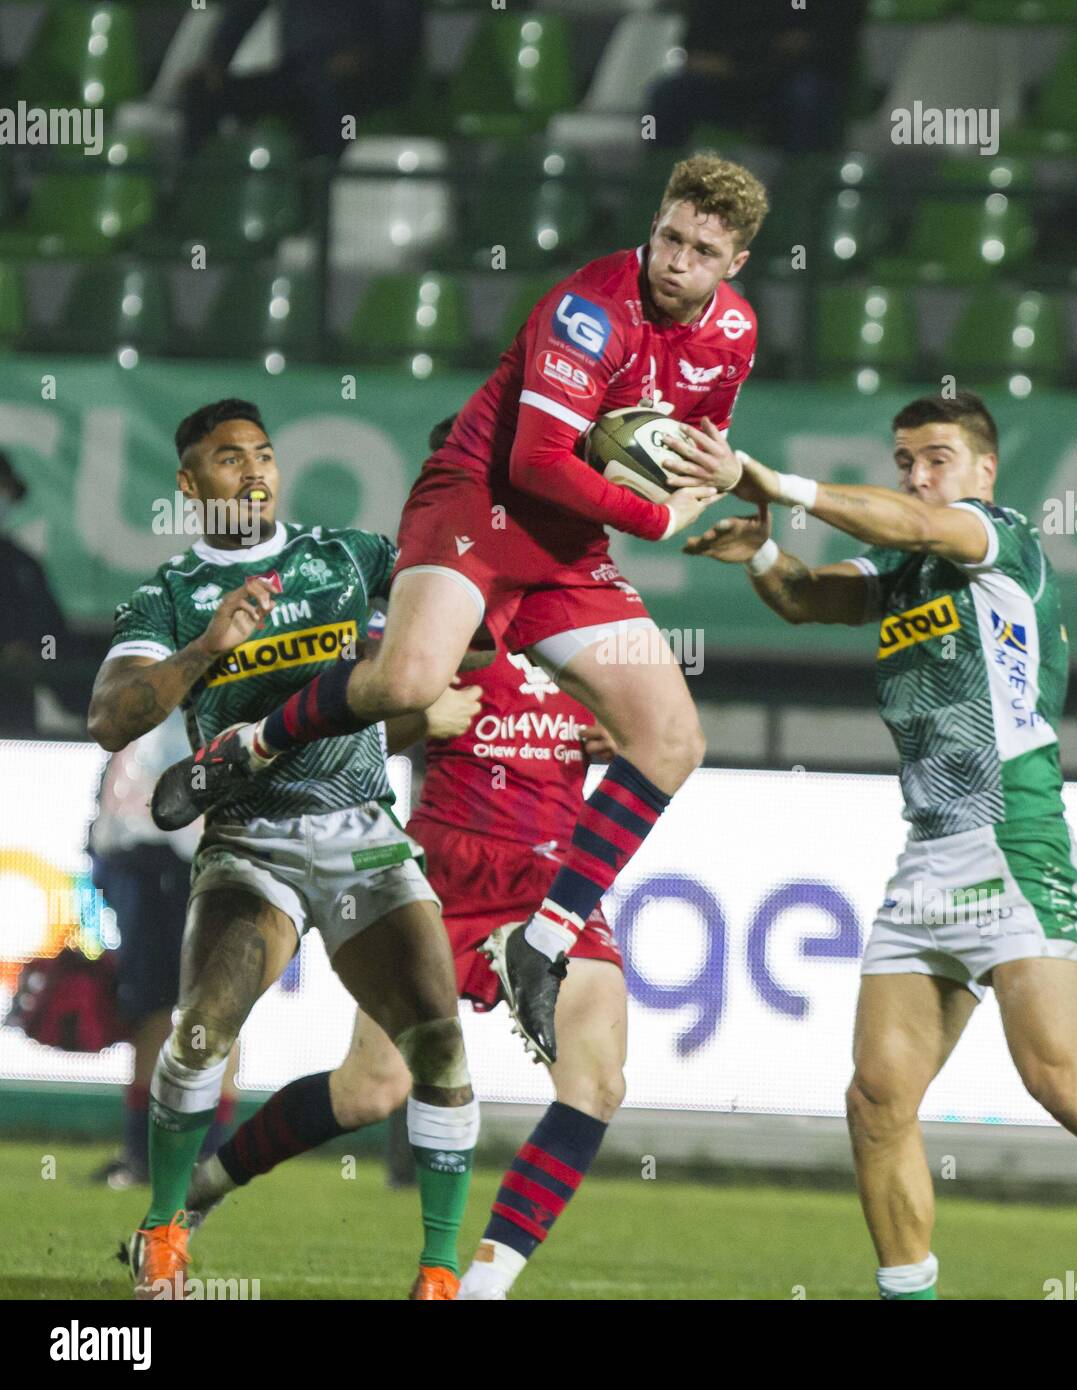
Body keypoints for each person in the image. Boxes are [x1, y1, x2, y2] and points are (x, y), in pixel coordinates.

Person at [148, 155, 767, 1070]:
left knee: (672, 741)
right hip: (478, 503)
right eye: (669, 235)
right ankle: (245, 749)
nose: (675, 260)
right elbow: (539, 462)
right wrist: (659, 515)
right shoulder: (590, 307)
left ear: (736, 262)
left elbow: (694, 452)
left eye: (702, 249)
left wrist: (717, 481)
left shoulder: (735, 335)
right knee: (408, 679)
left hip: (569, 551)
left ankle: (543, 942)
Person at [682, 390, 1077, 1302]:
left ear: (985, 471)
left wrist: (778, 483)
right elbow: (808, 599)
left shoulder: (998, 540)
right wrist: (761, 549)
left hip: (1013, 839)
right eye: (905, 461)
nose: (918, 475)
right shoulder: (906, 566)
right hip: (927, 854)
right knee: (877, 1099)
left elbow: (921, 524)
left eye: (937, 457)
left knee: (1064, 1085)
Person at [86, 399, 480, 1301]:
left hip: (362, 835)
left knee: (440, 1048)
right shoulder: (171, 595)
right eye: (229, 460)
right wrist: (205, 647)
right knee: (200, 1034)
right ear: (190, 484)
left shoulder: (346, 556)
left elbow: (465, 611)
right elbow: (111, 717)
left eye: (264, 454)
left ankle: (439, 1273)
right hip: (246, 842)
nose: (255, 471)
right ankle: (164, 1236)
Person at [186, 644, 629, 1301]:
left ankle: (481, 1285)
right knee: (369, 1090)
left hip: (551, 881)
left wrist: (622, 737)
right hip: (444, 867)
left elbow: (664, 736)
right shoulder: (449, 617)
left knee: (596, 1083)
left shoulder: (592, 634)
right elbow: (339, 731)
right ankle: (199, 1191)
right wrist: (417, 719)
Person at [87, 710, 237, 1188]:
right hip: (144, 850)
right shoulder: (149, 661)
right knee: (152, 1008)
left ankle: (205, 1156)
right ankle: (141, 1153)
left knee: (217, 1011)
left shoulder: (237, 667)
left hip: (211, 850)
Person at [181, 0, 423, 161]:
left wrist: (365, 56)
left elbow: (403, 30)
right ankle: (194, 193)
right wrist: (217, 60)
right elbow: (247, 8)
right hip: (299, 75)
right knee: (201, 91)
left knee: (329, 95)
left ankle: (323, 203)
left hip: (365, 80)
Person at [647, 0, 863, 155]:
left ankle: (802, 195)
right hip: (730, 79)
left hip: (793, 78)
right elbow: (697, 44)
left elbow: (828, 41)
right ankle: (658, 192)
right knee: (667, 94)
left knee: (807, 99)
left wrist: (744, 59)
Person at [0, 452, 72, 736]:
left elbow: (53, 636)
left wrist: (32, 655)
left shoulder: (22, 568)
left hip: (12, 728)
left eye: (3, 489)